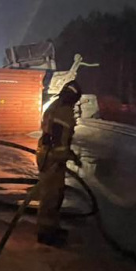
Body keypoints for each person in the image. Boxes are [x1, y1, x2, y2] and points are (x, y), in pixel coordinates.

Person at [35, 80, 82, 246]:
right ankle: (45, 233)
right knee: (51, 196)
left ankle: (52, 227)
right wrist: (64, 156)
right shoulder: (63, 111)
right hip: (52, 158)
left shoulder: (56, 106)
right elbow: (59, 139)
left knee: (55, 194)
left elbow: (57, 137)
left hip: (49, 155)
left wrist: (69, 155)